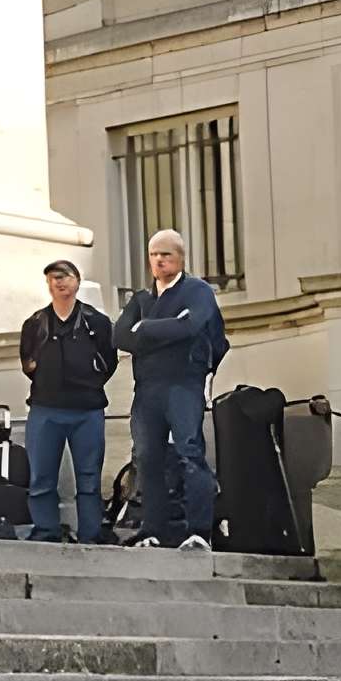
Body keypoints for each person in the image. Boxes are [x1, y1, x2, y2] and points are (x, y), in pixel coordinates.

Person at [117, 229, 228, 551]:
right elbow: (120, 336)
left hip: (184, 384)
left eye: (166, 254)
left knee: (190, 452)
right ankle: (152, 530)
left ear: (181, 257)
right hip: (148, 388)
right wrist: (170, 329)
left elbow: (195, 326)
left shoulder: (198, 291)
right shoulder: (142, 298)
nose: (159, 260)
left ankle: (198, 532)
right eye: (154, 255)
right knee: (147, 457)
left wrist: (146, 329)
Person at [19, 259, 119, 544]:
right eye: (52, 278)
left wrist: (90, 381)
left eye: (65, 276)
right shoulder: (35, 323)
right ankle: (46, 530)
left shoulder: (96, 322)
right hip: (44, 409)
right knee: (41, 477)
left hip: (87, 410)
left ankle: (90, 533)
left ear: (77, 281)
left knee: (88, 478)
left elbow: (109, 360)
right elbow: (27, 360)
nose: (59, 282)